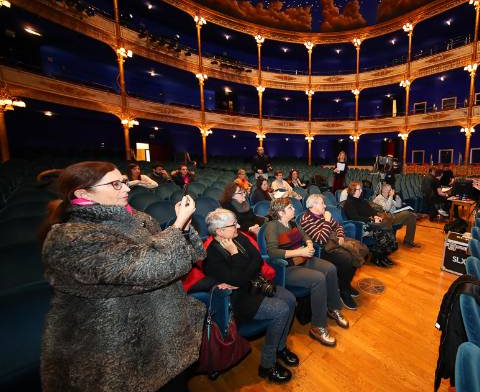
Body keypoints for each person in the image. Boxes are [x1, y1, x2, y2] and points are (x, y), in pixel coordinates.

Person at [41, 161, 205, 392]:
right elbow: (152, 268)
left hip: (167, 336)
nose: (127, 188)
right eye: (116, 184)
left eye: (124, 182)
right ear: (83, 193)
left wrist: (184, 226)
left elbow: (186, 259)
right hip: (119, 352)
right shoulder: (70, 238)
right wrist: (177, 226)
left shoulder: (138, 218)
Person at [203, 209, 298, 383]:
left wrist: (241, 273)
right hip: (238, 299)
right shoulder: (211, 254)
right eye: (233, 224)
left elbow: (257, 260)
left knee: (290, 299)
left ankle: (280, 347)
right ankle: (267, 365)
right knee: (281, 309)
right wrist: (235, 255)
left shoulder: (238, 237)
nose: (238, 226)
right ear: (220, 231)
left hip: (256, 286)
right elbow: (237, 281)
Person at [265, 198, 348, 347]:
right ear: (281, 212)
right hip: (287, 268)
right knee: (318, 279)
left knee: (330, 269)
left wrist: (309, 244)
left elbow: (305, 236)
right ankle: (317, 326)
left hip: (303, 259)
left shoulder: (292, 223)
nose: (294, 209)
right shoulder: (272, 226)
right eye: (290, 208)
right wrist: (300, 251)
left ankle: (333, 308)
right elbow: (272, 252)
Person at [301, 194, 369, 310]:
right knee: (348, 258)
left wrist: (341, 235)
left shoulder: (322, 214)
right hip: (323, 249)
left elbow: (338, 226)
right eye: (322, 203)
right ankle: (344, 291)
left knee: (362, 250)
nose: (325, 205)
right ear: (313, 205)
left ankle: (345, 285)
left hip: (335, 241)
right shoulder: (306, 220)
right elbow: (321, 239)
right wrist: (327, 221)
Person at [343, 181, 395, 267]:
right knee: (382, 230)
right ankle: (376, 258)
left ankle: (383, 255)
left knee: (386, 228)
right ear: (353, 191)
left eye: (361, 189)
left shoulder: (362, 200)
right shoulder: (349, 203)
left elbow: (372, 210)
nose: (361, 191)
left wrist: (375, 216)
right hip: (362, 226)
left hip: (370, 222)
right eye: (359, 189)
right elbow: (355, 218)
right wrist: (371, 219)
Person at [372, 183, 420, 248]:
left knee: (412, 216)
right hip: (387, 219)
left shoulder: (388, 198)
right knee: (407, 213)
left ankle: (408, 241)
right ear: (384, 190)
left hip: (393, 216)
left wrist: (397, 197)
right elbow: (387, 208)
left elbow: (398, 205)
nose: (392, 191)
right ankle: (408, 241)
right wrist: (391, 196)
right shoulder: (379, 198)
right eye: (390, 189)